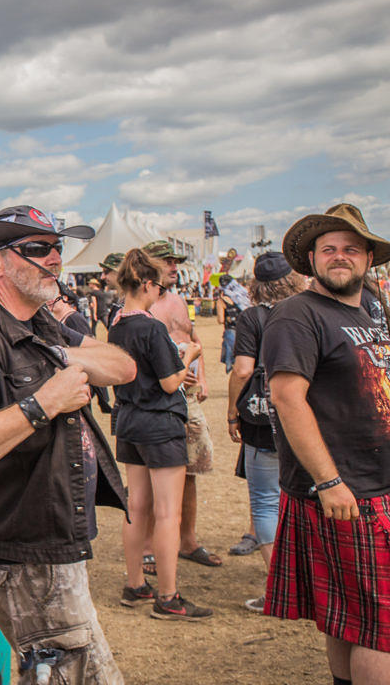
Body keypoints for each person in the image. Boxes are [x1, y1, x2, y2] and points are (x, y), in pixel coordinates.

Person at [0, 205, 135, 684]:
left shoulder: (41, 325)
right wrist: (42, 403)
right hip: (27, 555)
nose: (54, 260)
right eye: (37, 249)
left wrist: (65, 355)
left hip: (52, 543)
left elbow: (123, 367)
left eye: (56, 248)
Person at [262, 203, 390, 684]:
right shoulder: (296, 315)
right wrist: (329, 480)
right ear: (312, 259)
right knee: (382, 627)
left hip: (374, 480)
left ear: (368, 257)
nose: (340, 257)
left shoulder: (372, 307)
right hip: (348, 486)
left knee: (348, 613)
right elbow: (287, 398)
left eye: (351, 249)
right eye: (329, 249)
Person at [108, 249, 212, 621]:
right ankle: (168, 597)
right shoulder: (151, 326)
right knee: (167, 513)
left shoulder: (116, 323)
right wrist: (190, 356)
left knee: (137, 506)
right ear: (148, 285)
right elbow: (170, 383)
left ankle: (135, 583)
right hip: (159, 421)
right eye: (160, 286)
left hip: (131, 421)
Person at [226, 252, 306, 610]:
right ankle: (310, 582)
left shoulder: (253, 316)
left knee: (265, 501)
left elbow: (243, 369)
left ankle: (280, 589)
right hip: (305, 417)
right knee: (306, 499)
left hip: (262, 419)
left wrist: (232, 411)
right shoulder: (308, 312)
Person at [143, 240, 220, 568]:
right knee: (153, 473)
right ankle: (147, 544)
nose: (175, 267)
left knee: (190, 470)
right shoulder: (139, 306)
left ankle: (187, 540)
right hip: (158, 399)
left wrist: (200, 378)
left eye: (176, 262)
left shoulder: (177, 300)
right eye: (167, 261)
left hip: (186, 398)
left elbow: (194, 339)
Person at [215, 275, 242, 373]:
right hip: (244, 332)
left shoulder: (221, 301)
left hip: (231, 332)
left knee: (234, 366)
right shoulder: (241, 297)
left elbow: (221, 320)